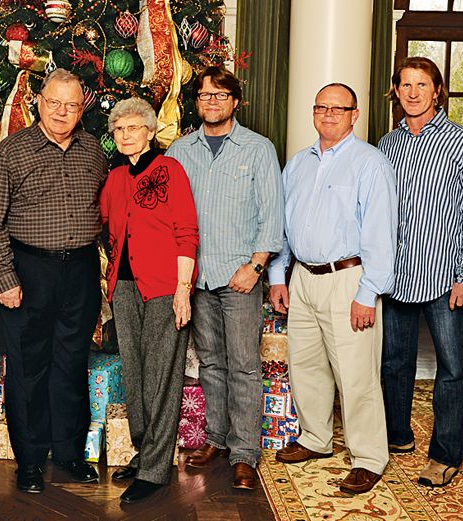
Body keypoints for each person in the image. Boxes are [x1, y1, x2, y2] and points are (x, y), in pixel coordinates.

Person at [0, 69, 108, 494]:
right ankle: (31, 461)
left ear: (81, 108)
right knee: (29, 368)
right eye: (54, 103)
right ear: (39, 102)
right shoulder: (12, 152)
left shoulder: (93, 151)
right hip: (29, 271)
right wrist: (5, 278)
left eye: (72, 105)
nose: (62, 112)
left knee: (71, 364)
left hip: (82, 270)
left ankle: (69, 454)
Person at [268, 83, 397, 494]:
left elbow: (381, 234)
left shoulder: (369, 163)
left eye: (338, 109)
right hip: (304, 277)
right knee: (305, 364)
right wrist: (278, 275)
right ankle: (315, 437)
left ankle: (369, 457)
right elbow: (283, 224)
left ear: (354, 114)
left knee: (356, 373)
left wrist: (368, 293)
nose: (328, 115)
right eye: (321, 107)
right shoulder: (298, 164)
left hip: (349, 280)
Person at [378, 57, 463, 487]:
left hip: (445, 277)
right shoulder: (387, 144)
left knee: (452, 369)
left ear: (437, 90)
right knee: (393, 363)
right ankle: (397, 434)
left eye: (421, 84)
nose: (412, 92)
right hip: (396, 275)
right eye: (404, 84)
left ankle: (445, 454)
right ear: (396, 91)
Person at [166, 65, 283, 490]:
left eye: (220, 94)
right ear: (196, 102)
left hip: (240, 279)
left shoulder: (258, 149)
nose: (212, 101)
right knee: (212, 363)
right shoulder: (179, 152)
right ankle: (216, 438)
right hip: (196, 278)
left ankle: (245, 454)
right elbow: (169, 218)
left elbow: (272, 217)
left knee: (245, 367)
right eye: (204, 95)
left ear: (235, 101)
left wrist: (255, 267)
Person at [100, 97, 199, 503]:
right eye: (119, 129)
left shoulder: (169, 170)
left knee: (161, 376)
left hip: (163, 289)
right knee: (136, 374)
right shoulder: (115, 177)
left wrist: (182, 290)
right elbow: (104, 226)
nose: (125, 135)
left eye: (133, 128)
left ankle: (156, 470)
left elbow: (187, 232)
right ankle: (145, 452)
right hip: (124, 289)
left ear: (150, 130)